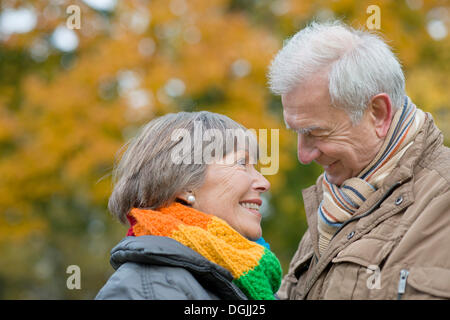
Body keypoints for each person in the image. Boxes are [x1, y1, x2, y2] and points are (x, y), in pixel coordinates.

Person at [267, 20, 450, 299]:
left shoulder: (442, 199)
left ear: (377, 113)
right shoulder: (334, 204)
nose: (304, 155)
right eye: (297, 133)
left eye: (315, 133)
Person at [95, 111, 282, 300]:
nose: (264, 182)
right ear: (184, 186)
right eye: (242, 162)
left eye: (256, 166)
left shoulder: (242, 278)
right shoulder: (142, 290)